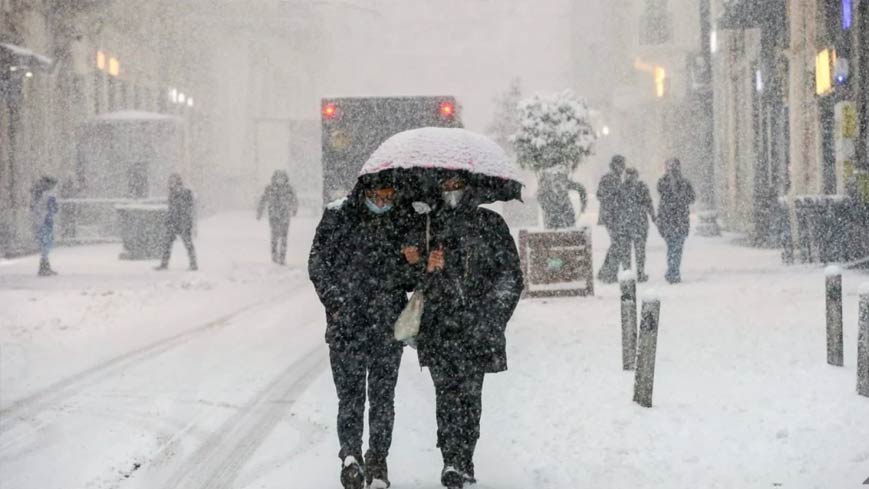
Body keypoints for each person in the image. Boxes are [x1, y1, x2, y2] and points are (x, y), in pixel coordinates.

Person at [410, 171, 523, 489]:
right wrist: (425, 266)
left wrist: (492, 315)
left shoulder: (491, 225)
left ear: (469, 187)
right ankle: (451, 460)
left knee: (470, 398)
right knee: (446, 396)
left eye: (456, 185)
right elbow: (409, 276)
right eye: (444, 186)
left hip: (477, 327)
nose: (451, 191)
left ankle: (464, 458)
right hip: (439, 327)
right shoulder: (428, 226)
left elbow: (510, 275)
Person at [308, 172, 416, 489]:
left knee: (383, 399)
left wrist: (411, 261)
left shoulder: (402, 217)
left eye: (389, 197)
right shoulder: (338, 215)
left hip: (386, 325)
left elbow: (409, 281)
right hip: (346, 326)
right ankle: (351, 457)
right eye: (379, 196)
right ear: (366, 191)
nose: (385, 202)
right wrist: (337, 303)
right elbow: (317, 262)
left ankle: (378, 461)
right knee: (350, 398)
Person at [656, 158, 695, 283]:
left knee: (675, 247)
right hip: (672, 220)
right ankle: (673, 271)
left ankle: (673, 271)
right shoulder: (664, 182)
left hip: (677, 220)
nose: (672, 169)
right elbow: (664, 196)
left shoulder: (683, 183)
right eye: (670, 167)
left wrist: (681, 195)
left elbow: (691, 198)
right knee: (674, 247)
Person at [596, 155, 629, 282]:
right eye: (621, 165)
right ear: (615, 165)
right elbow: (600, 195)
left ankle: (606, 272)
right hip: (611, 216)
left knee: (617, 245)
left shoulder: (617, 178)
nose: (623, 168)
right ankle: (608, 273)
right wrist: (613, 200)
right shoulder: (608, 178)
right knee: (617, 244)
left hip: (616, 216)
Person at [155, 174, 197, 271]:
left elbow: (183, 209)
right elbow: (172, 209)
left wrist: (181, 220)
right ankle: (165, 264)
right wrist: (169, 220)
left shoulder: (183, 193)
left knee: (186, 243)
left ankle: (193, 264)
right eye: (170, 182)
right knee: (168, 244)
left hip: (182, 223)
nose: (170, 184)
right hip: (175, 222)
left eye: (172, 181)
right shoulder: (174, 193)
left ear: (177, 182)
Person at [620, 168, 655, 282]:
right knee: (639, 250)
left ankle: (628, 274)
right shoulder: (641, 187)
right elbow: (648, 203)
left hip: (626, 223)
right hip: (639, 223)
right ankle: (639, 273)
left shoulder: (621, 188)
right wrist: (653, 216)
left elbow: (616, 207)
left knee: (627, 251)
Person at [256, 170, 298, 265]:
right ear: (274, 179)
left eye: (282, 178)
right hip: (273, 215)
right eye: (278, 178)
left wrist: (294, 209)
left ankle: (282, 257)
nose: (280, 180)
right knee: (274, 236)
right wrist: (259, 211)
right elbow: (263, 200)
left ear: (285, 179)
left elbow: (294, 200)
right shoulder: (270, 188)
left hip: (285, 216)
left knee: (284, 237)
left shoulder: (289, 189)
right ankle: (274, 257)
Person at [31, 176, 59, 276]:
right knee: (46, 244)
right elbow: (54, 208)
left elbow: (34, 208)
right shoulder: (48, 194)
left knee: (44, 244)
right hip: (46, 221)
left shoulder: (37, 193)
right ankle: (44, 267)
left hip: (41, 221)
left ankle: (45, 266)